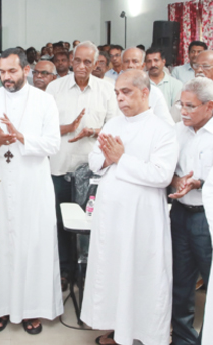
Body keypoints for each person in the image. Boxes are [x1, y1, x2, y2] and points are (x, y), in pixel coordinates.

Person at [81, 69, 178, 345]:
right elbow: (93, 160)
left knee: (141, 274)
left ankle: (144, 335)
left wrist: (121, 159)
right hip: (110, 215)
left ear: (145, 93)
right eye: (117, 93)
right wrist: (110, 159)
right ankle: (118, 330)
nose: (120, 99)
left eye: (127, 92)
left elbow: (161, 176)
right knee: (114, 271)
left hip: (142, 217)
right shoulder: (113, 124)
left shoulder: (162, 130)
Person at [0, 47, 62, 336]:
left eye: (12, 71)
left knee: (33, 244)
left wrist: (22, 137)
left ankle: (31, 309)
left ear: (26, 69)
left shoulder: (45, 100)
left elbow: (53, 144)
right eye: (2, 71)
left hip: (32, 184)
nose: (6, 77)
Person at [46, 41, 118, 288]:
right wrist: (66, 129)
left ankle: (89, 272)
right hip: (60, 167)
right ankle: (65, 271)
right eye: (77, 60)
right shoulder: (54, 88)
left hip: (93, 171)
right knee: (62, 222)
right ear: (71, 60)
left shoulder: (107, 90)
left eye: (88, 62)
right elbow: (41, 129)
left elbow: (116, 127)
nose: (81, 66)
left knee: (93, 224)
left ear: (97, 64)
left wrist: (94, 132)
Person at [168, 77, 213, 345]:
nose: (183, 111)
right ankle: (184, 339)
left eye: (190, 106)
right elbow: (167, 169)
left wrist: (200, 183)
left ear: (210, 106)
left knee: (210, 281)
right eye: (180, 104)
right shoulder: (176, 131)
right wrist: (176, 180)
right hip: (180, 213)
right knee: (181, 283)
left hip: (207, 217)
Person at [122, 47, 175, 126]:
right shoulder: (112, 89)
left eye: (135, 61)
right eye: (126, 61)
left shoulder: (154, 92)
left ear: (143, 66)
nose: (130, 65)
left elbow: (167, 125)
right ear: (122, 65)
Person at [146, 46, 183, 114]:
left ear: (163, 62)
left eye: (156, 60)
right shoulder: (139, 82)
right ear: (145, 64)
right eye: (149, 61)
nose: (153, 64)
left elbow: (177, 111)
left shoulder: (176, 84)